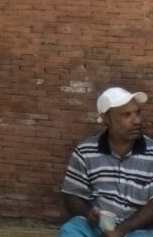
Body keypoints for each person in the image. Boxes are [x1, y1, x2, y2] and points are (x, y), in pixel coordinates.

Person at [59, 87, 153, 237]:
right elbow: (71, 195)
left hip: (137, 230)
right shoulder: (85, 151)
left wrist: (122, 230)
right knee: (70, 230)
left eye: (137, 113)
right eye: (127, 115)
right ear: (106, 118)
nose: (137, 120)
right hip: (96, 228)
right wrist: (88, 214)